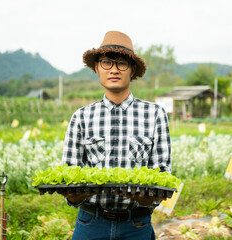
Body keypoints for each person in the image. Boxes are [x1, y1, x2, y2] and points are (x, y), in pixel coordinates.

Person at [61, 31, 171, 240]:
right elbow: (69, 173)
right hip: (91, 223)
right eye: (106, 63)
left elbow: (162, 172)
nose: (114, 69)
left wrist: (148, 198)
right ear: (96, 68)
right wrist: (75, 194)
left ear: (132, 71)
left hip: (136, 225)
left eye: (121, 63)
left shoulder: (155, 114)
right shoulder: (81, 117)